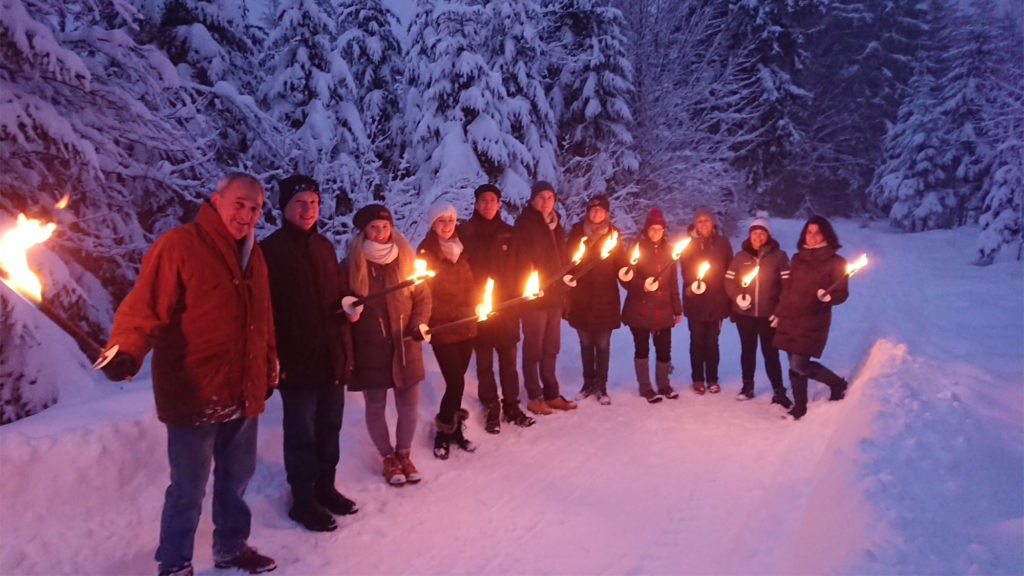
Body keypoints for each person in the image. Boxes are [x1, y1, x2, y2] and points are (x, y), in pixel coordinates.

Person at [100, 173, 277, 576]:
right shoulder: (179, 245)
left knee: (236, 481)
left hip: (243, 390)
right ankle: (175, 563)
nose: (246, 215)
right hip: (196, 391)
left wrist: (269, 364)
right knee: (187, 489)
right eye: (239, 204)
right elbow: (144, 306)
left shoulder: (254, 253)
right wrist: (125, 350)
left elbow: (262, 317)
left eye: (254, 208)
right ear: (216, 200)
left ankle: (232, 547)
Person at [260, 175, 356, 533]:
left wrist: (348, 304)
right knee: (301, 433)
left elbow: (338, 292)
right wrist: (275, 359)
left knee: (330, 427)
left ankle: (326, 488)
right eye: (300, 202)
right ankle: (302, 500)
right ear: (284, 207)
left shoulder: (325, 247)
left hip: (331, 355)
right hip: (297, 360)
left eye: (313, 202)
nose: (308, 209)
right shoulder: (270, 251)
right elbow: (265, 311)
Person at [341, 204, 431, 485]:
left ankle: (404, 453)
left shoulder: (406, 259)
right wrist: (347, 309)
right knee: (376, 405)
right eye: (373, 228)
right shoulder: (352, 264)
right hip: (370, 346)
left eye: (384, 227)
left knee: (409, 406)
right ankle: (388, 457)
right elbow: (340, 300)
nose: (380, 233)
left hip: (405, 343)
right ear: (364, 230)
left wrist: (418, 324)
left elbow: (423, 298)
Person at [457, 184, 536, 433]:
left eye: (493, 200)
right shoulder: (464, 233)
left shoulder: (510, 234)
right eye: (484, 200)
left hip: (507, 308)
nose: (488, 205)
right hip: (479, 309)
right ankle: (491, 405)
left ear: (499, 204)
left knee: (509, 362)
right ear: (476, 204)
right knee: (483, 364)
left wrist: (520, 295)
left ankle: (512, 405)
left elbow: (524, 267)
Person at [772, 215, 850, 421]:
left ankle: (834, 385)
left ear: (825, 234)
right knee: (793, 363)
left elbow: (842, 293)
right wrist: (779, 312)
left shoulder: (836, 262)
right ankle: (800, 404)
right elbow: (787, 289)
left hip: (813, 319)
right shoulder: (797, 258)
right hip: (790, 317)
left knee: (799, 364)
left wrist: (829, 296)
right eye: (809, 232)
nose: (812, 236)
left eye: (817, 232)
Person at [417, 203, 478, 459]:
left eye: (450, 221)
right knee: (456, 381)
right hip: (443, 327)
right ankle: (443, 431)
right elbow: (423, 293)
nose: (446, 226)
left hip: (467, 325)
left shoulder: (461, 250)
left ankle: (453, 429)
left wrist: (475, 307)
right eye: (441, 222)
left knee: (458, 382)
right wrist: (455, 312)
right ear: (433, 225)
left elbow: (471, 286)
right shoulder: (425, 254)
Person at [511, 181, 576, 415]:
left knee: (551, 347)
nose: (546, 202)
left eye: (549, 197)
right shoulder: (524, 225)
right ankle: (534, 395)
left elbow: (562, 259)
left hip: (554, 297)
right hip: (535, 298)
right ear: (532, 200)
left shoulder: (556, 226)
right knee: (534, 348)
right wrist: (528, 285)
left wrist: (565, 285)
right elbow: (518, 261)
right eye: (541, 197)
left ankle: (551, 393)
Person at [723, 213, 793, 408]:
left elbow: (787, 287)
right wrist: (738, 297)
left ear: (768, 235)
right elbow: (728, 280)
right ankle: (747, 387)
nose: (758, 237)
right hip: (744, 315)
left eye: (762, 233)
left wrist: (779, 311)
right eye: (755, 233)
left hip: (768, 315)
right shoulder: (740, 257)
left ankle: (779, 391)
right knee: (748, 351)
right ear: (749, 235)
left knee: (770, 353)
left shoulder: (779, 256)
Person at [565, 195, 623, 405]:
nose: (596, 213)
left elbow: (621, 262)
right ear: (588, 212)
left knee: (603, 344)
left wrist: (626, 274)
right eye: (592, 210)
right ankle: (587, 383)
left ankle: (601, 385)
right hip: (581, 298)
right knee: (586, 343)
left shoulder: (614, 235)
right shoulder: (576, 234)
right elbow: (568, 261)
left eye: (600, 210)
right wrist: (567, 277)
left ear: (606, 213)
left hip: (606, 298)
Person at [621, 207, 683, 403]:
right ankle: (645, 387)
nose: (656, 233)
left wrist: (677, 308)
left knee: (664, 349)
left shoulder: (670, 251)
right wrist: (642, 285)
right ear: (646, 230)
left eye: (659, 229)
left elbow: (673, 282)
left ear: (664, 231)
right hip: (640, 309)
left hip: (663, 310)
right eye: (652, 229)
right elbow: (625, 278)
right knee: (642, 349)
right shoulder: (636, 249)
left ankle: (664, 384)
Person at [679, 206, 733, 395]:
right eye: (700, 221)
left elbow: (730, 269)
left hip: (717, 301)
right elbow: (685, 270)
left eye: (707, 220)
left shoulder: (723, 243)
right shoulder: (688, 244)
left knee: (712, 342)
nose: (703, 224)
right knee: (696, 341)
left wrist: (729, 297)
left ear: (713, 223)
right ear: (695, 223)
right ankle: (697, 378)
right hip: (695, 300)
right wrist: (693, 284)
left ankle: (712, 378)